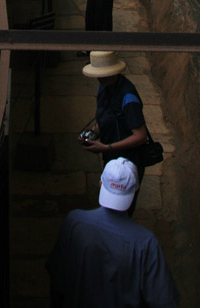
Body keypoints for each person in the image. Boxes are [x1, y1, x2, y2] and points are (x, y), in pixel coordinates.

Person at [46, 158, 180, 307]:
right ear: (135, 191)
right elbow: (163, 301)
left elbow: (57, 280)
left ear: (101, 183)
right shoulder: (145, 243)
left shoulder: (74, 223)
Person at [79, 50, 149, 209]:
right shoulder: (104, 88)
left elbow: (140, 136)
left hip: (129, 159)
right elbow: (107, 119)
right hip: (112, 154)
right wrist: (94, 133)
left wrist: (106, 147)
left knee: (123, 204)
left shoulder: (128, 97)